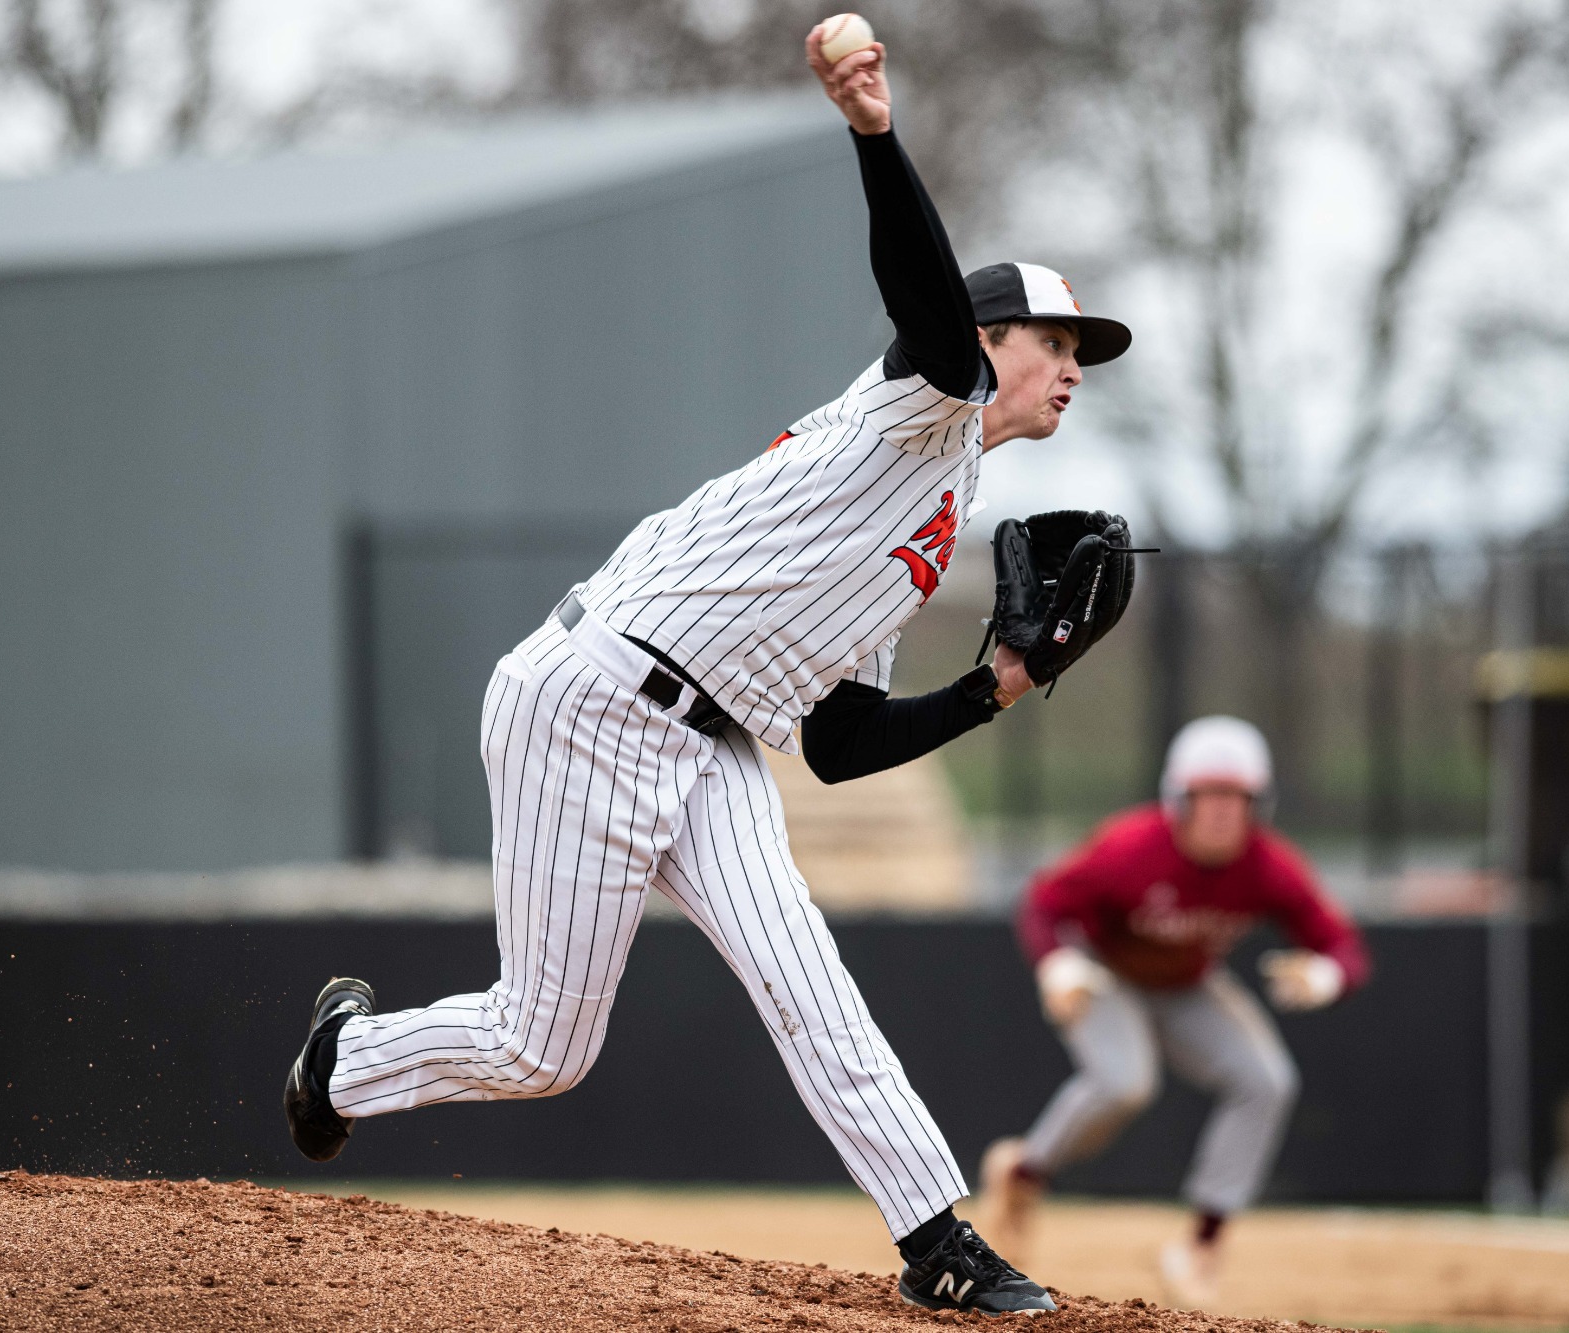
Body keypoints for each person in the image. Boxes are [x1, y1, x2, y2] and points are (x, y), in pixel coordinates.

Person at [281, 22, 1134, 1317]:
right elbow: (918, 290)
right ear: (986, 336)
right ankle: (346, 1062)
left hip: (716, 742)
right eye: (1055, 342)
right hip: (591, 698)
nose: (1072, 369)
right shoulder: (923, 405)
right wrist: (872, 131)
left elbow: (838, 742)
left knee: (810, 984)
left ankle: (937, 1244)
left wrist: (995, 689)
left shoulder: (935, 508)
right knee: (542, 1045)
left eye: (1080, 355)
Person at [979, 716, 1369, 1308]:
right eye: (1208, 796)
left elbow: (1342, 944)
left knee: (1267, 1082)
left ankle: (1202, 1246)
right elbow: (1044, 901)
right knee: (1124, 1083)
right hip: (1107, 972)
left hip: (1189, 982)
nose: (1222, 812)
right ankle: (1025, 1172)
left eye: (1236, 798)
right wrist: (1057, 964)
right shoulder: (1131, 846)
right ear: (1178, 799)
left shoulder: (1268, 864)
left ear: (1258, 805)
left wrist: (1325, 975)